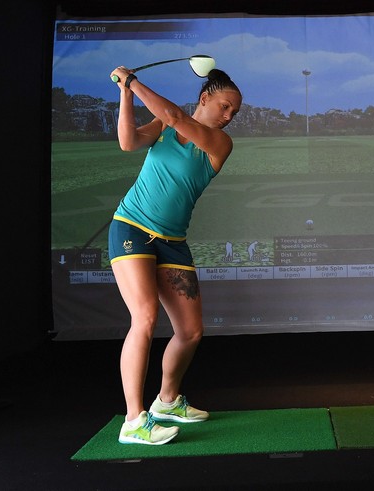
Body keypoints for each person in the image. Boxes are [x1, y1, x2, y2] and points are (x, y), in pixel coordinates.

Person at [108, 64, 242, 445]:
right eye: (225, 107)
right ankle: (134, 421)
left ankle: (166, 401)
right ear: (206, 98)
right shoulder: (166, 126)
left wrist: (132, 81)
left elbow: (176, 116)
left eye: (234, 112)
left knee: (190, 331)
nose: (230, 116)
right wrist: (125, 94)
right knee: (145, 317)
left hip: (171, 242)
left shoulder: (218, 144)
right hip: (131, 228)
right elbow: (128, 142)